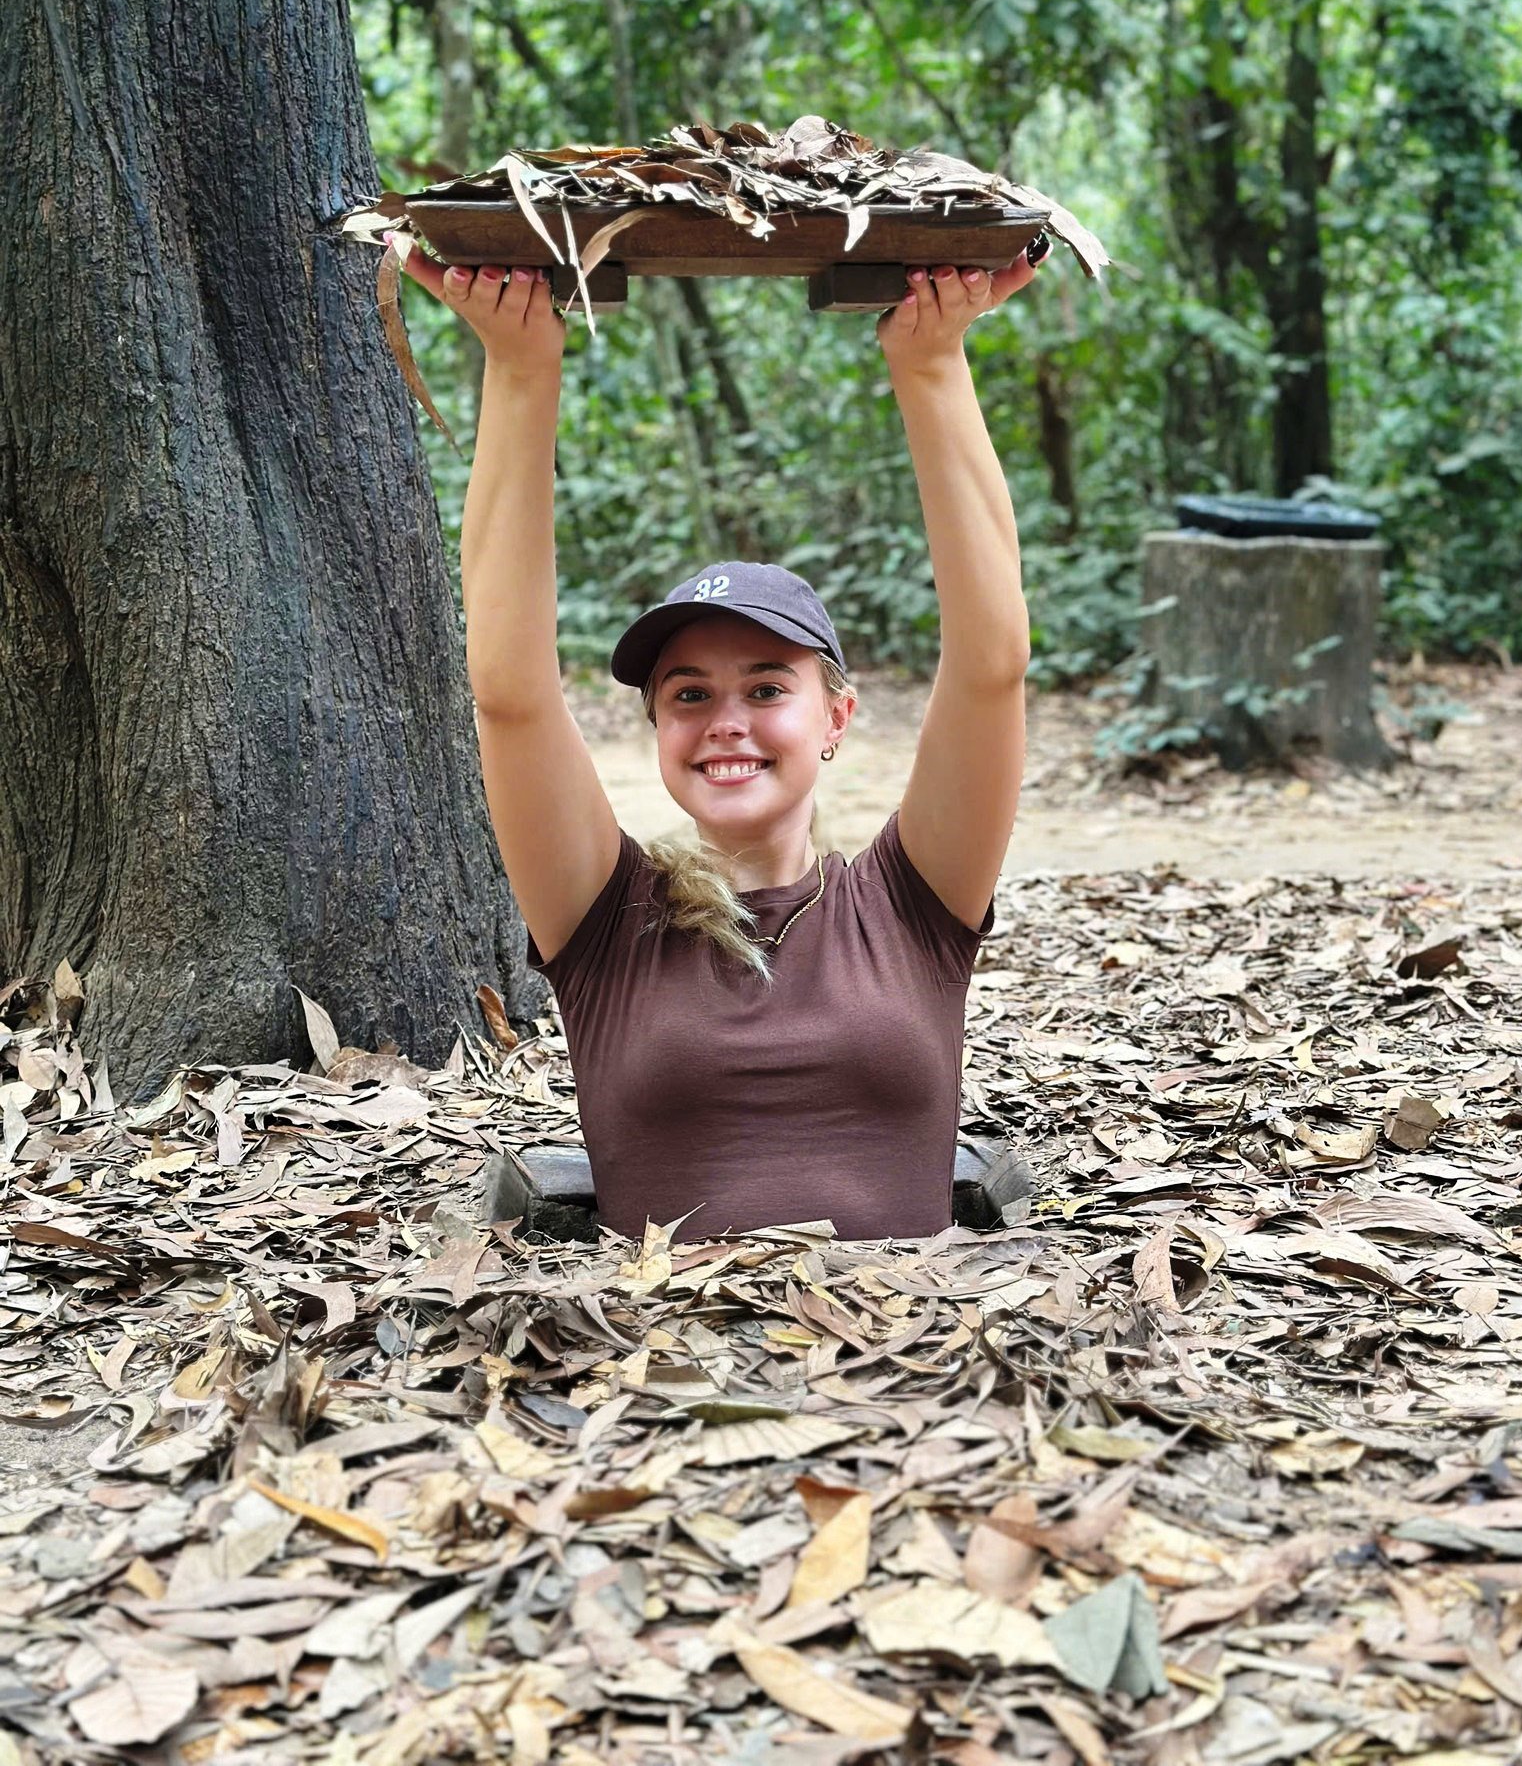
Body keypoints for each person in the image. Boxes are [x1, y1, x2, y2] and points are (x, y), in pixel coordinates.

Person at [394, 233, 1043, 1243]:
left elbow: (992, 663)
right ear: (658, 726)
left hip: (911, 1343)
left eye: (767, 687)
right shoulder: (606, 919)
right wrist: (521, 371)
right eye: (689, 693)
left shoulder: (911, 905)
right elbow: (511, 693)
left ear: (834, 718)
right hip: (657, 1345)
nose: (726, 720)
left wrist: (931, 368)